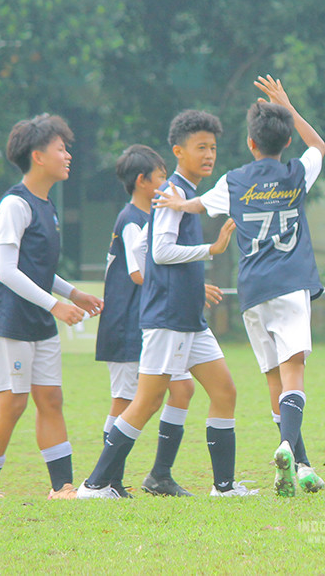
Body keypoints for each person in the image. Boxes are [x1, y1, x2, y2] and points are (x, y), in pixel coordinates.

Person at [154, 75, 325, 497]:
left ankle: (301, 464)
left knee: (272, 378)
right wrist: (288, 106)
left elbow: (196, 203)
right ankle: (288, 447)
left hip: (251, 292)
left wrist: (176, 203)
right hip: (290, 286)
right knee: (294, 373)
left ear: (251, 143)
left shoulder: (233, 182)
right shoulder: (296, 173)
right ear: (285, 143)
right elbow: (319, 146)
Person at [78, 110, 255, 499]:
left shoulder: (189, 194)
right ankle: (94, 486)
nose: (209, 154)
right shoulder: (171, 194)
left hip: (190, 318)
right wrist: (211, 249)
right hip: (168, 318)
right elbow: (160, 251)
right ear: (179, 151)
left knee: (224, 392)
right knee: (146, 401)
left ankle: (224, 488)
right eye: (200, 147)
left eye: (212, 147)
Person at [0, 114, 103, 501]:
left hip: (37, 318)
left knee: (50, 399)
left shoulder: (47, 206)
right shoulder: (14, 205)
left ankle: (62, 487)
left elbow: (39, 269)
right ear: (37, 155)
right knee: (12, 402)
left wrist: (73, 294)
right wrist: (56, 306)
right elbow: (7, 271)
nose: (68, 155)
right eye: (61, 148)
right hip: (6, 320)